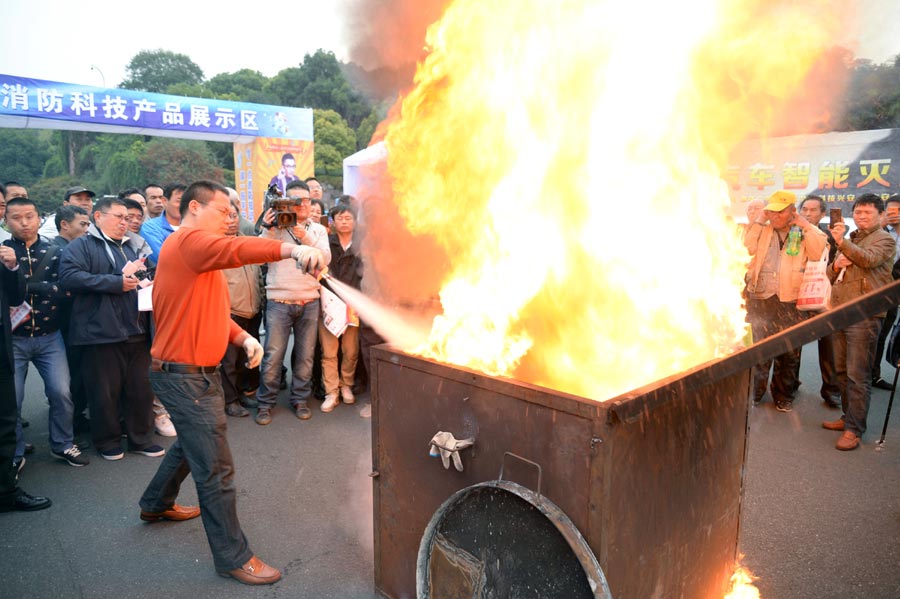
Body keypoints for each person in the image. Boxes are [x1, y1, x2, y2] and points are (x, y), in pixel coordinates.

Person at [138, 180, 324, 585]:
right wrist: (291, 249)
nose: (231, 218)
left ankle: (155, 502)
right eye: (224, 211)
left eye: (234, 212)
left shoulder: (195, 254)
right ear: (193, 209)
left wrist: (241, 338)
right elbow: (237, 247)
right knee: (217, 470)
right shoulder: (188, 240)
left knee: (194, 445)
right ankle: (233, 557)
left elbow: (207, 310)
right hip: (184, 377)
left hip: (192, 374)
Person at [58, 197, 163, 461]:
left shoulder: (133, 246)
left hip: (137, 328)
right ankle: (107, 441)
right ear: (98, 217)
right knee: (104, 391)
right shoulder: (82, 245)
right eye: (118, 217)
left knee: (140, 388)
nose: (124, 223)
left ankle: (141, 438)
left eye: (127, 218)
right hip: (100, 331)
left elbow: (147, 274)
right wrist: (115, 282)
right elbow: (69, 277)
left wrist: (147, 281)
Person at [4, 198, 88, 469]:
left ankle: (63, 444)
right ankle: (15, 452)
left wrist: (33, 287)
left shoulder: (55, 251)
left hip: (50, 336)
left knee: (61, 392)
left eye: (30, 216)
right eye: (17, 217)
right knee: (12, 400)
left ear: (40, 218)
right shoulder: (4, 251)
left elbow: (68, 288)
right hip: (12, 339)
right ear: (6, 221)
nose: (24, 222)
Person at [823, 193, 896, 450]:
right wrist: (835, 265)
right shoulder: (852, 239)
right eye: (858, 212)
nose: (861, 216)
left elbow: (867, 260)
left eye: (867, 213)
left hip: (865, 315)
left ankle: (854, 429)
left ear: (880, 215)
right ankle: (847, 417)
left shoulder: (885, 240)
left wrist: (841, 242)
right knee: (842, 371)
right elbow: (830, 273)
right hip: (840, 311)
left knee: (858, 374)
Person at [254, 180, 331, 425]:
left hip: (310, 300)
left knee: (305, 356)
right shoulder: (275, 227)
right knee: (273, 355)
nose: (300, 206)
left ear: (310, 203)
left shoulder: (317, 229)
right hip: (279, 299)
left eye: (305, 201)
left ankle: (300, 400)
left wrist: (305, 236)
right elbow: (259, 253)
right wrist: (267, 227)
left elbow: (325, 259)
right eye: (294, 201)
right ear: (284, 203)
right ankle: (265, 403)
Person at [744, 190, 826, 412]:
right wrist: (760, 220)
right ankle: (755, 392)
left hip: (791, 299)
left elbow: (819, 252)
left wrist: (805, 225)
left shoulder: (804, 231)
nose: (775, 216)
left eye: (780, 212)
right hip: (761, 297)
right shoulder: (762, 228)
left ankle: (783, 395)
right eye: (772, 211)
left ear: (792, 211)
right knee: (759, 348)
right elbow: (747, 248)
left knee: (789, 350)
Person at [0, 184, 52, 513]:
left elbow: (16, 298)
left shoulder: (4, 248)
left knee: (6, 418)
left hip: (2, 342)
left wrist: (12, 268)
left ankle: (6, 491)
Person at [220, 192, 264, 417]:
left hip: (252, 309)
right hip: (230, 311)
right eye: (227, 216)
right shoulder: (215, 246)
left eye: (235, 215)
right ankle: (230, 401)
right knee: (229, 360)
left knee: (248, 357)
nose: (232, 220)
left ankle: (244, 394)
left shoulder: (246, 242)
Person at [797, 194, 842, 407]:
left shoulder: (832, 234)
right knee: (792, 343)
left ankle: (831, 390)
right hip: (797, 294)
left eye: (813, 210)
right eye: (804, 209)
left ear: (823, 213)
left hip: (823, 293)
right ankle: (790, 383)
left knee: (829, 344)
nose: (807, 213)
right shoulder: (792, 232)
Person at [53, 204, 92, 440]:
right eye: (83, 224)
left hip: (74, 321)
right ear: (64, 225)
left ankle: (76, 420)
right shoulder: (58, 250)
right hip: (65, 323)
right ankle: (73, 424)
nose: (87, 229)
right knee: (70, 379)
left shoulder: (72, 247)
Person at [319, 204, 363, 412]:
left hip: (354, 304)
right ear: (332, 222)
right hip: (329, 302)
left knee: (351, 350)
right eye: (340, 218)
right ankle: (331, 391)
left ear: (355, 221)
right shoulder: (326, 243)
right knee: (329, 351)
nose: (344, 221)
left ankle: (347, 386)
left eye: (348, 218)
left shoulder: (362, 245)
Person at [869, 194, 900, 390]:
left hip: (893, 295)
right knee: (869, 336)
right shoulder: (880, 233)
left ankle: (874, 374)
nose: (893, 214)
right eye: (889, 211)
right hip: (873, 293)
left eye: (897, 211)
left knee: (882, 336)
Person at [140, 183, 186, 264]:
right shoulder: (150, 228)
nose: (183, 205)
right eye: (179, 201)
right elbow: (163, 257)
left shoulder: (194, 226)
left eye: (186, 202)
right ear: (165, 201)